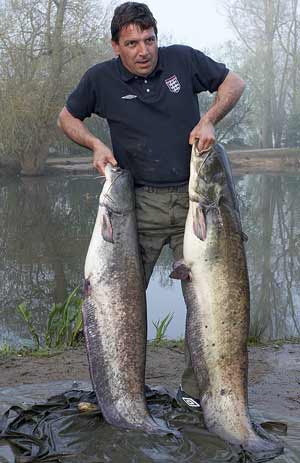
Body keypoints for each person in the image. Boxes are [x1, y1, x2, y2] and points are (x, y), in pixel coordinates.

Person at [57, 1, 245, 410]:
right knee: (115, 299)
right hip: (135, 204)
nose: (143, 51)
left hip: (195, 201)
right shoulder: (99, 80)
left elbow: (234, 84)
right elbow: (67, 118)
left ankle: (197, 393)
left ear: (157, 37)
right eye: (132, 43)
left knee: (206, 299)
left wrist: (210, 117)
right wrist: (94, 144)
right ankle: (120, 389)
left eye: (149, 40)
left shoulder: (184, 61)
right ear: (115, 46)